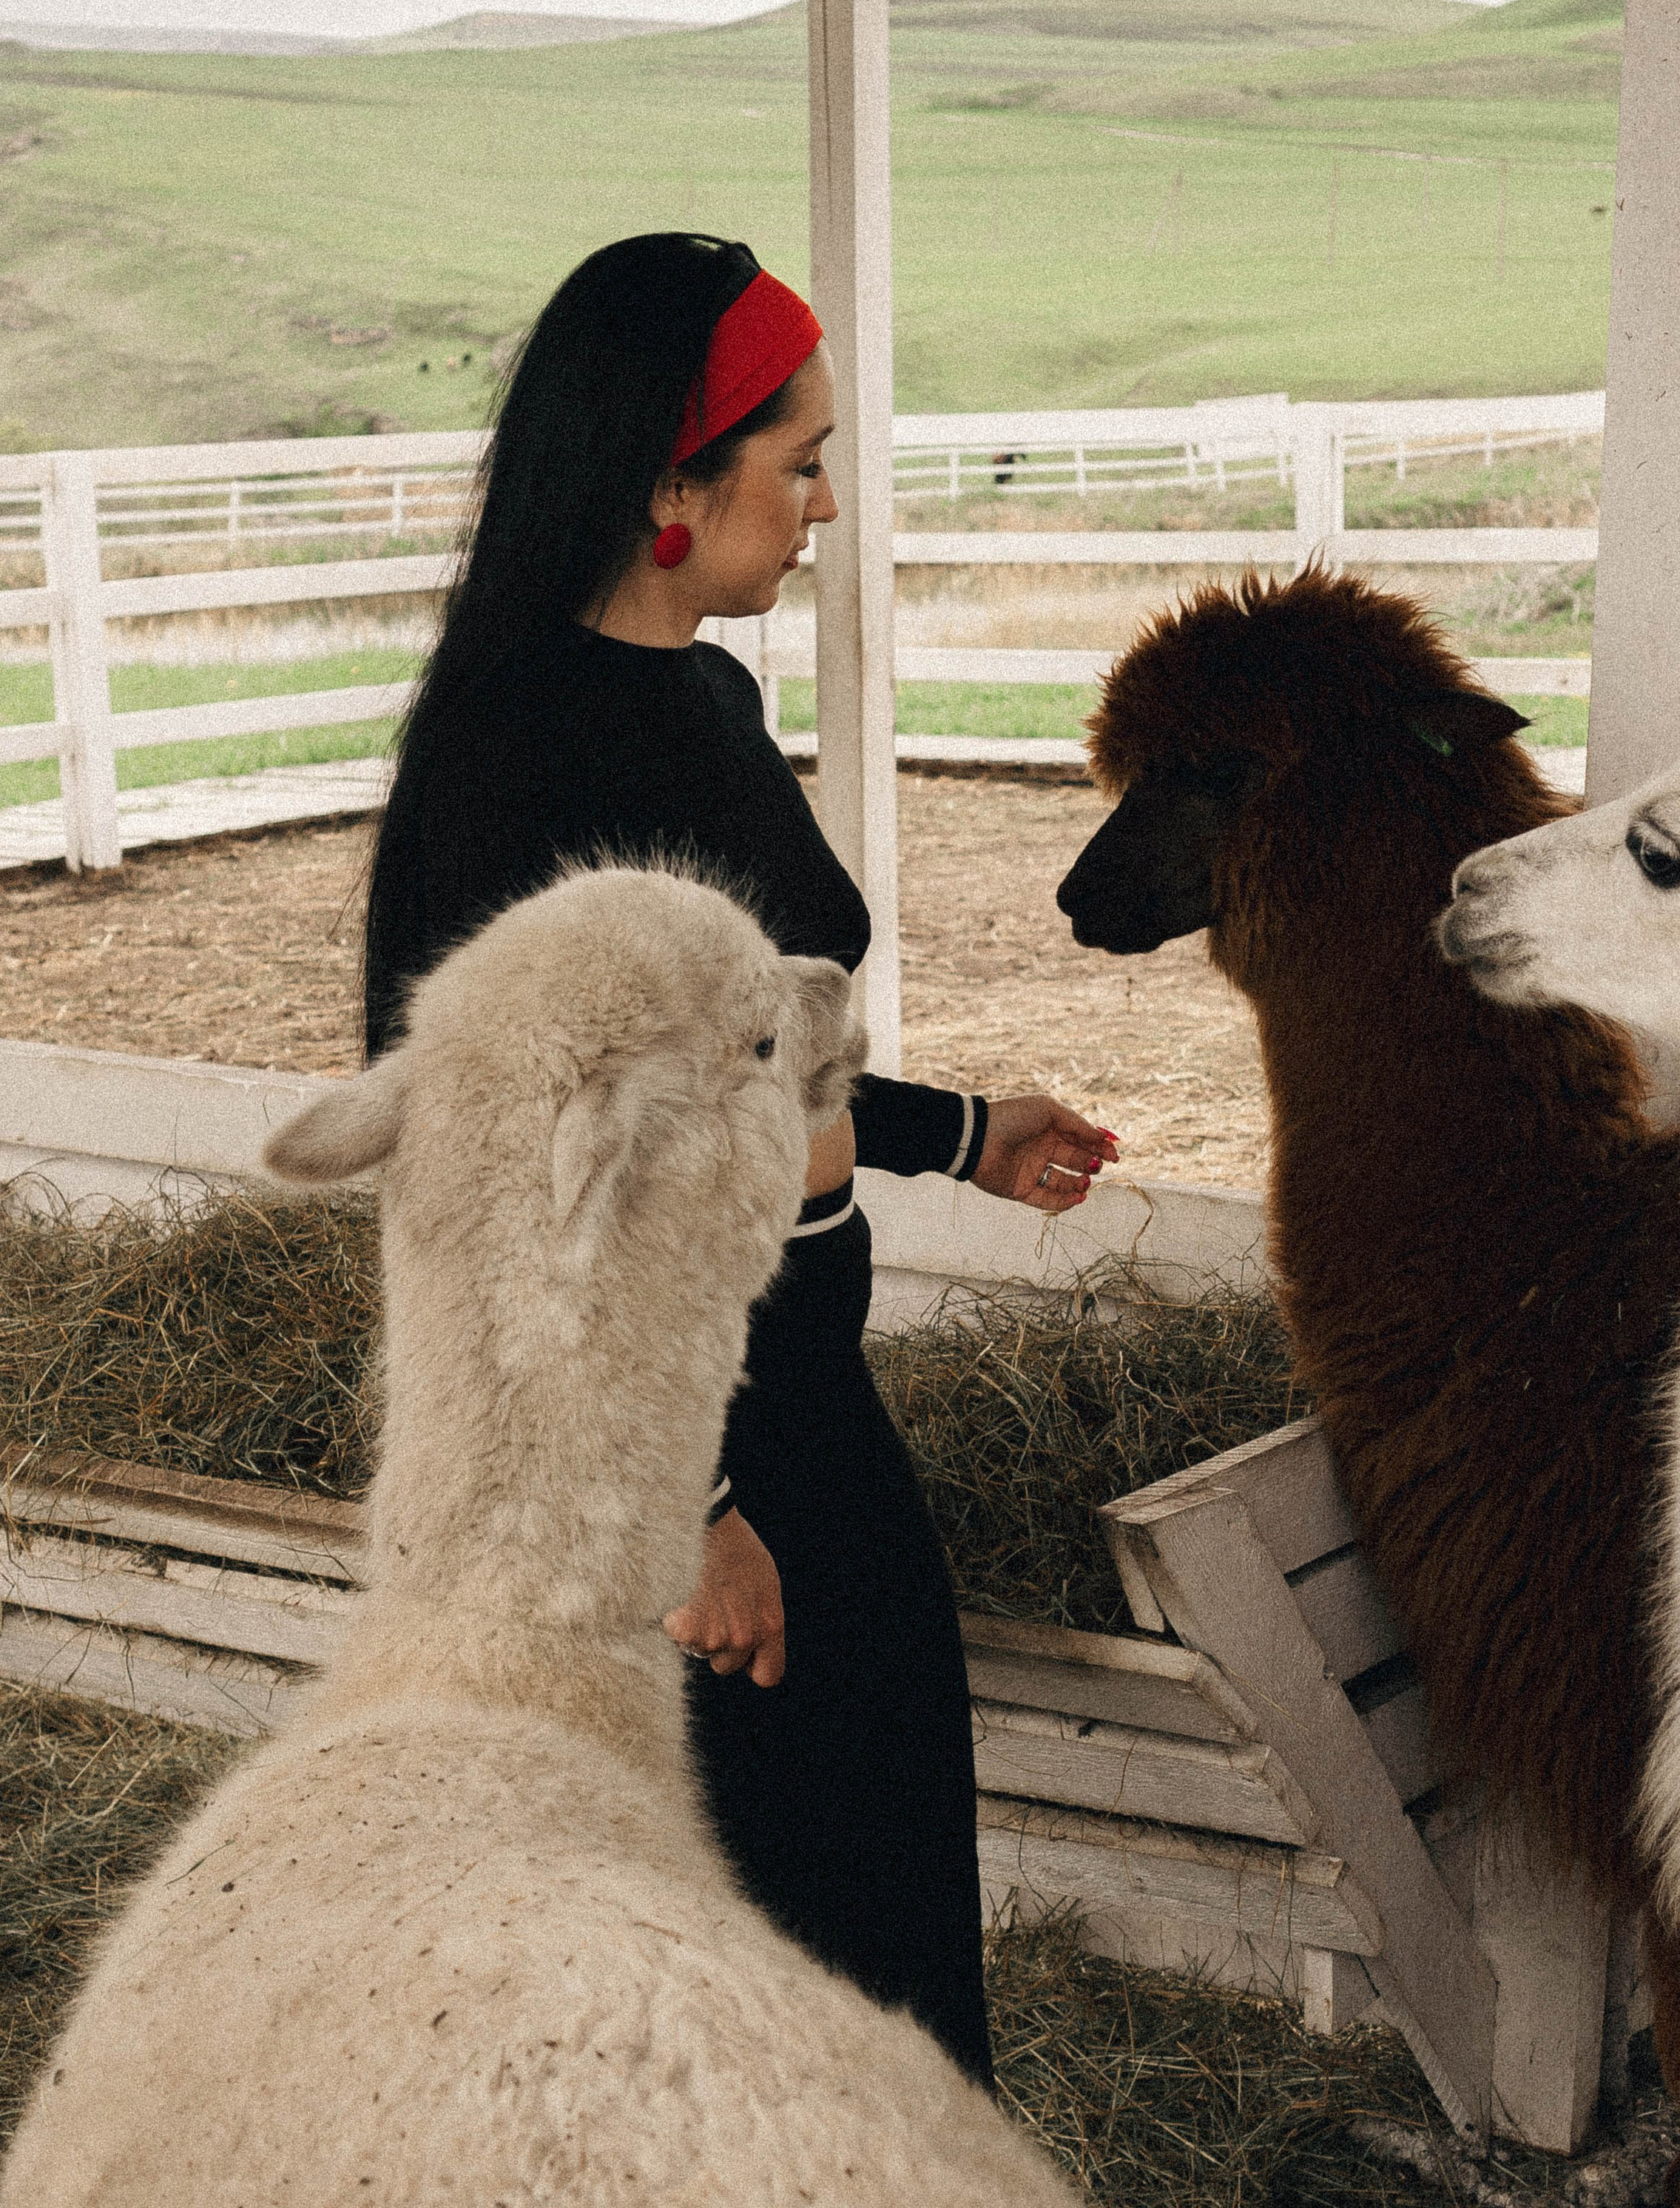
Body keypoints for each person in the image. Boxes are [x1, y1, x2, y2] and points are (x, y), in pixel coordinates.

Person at [362, 232, 1116, 2092]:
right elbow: (524, 1179)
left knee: (870, 1933)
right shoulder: (523, 759)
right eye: (798, 462)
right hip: (678, 1453)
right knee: (771, 1974)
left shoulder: (684, 695)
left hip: (787, 1393)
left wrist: (955, 1137)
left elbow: (727, 1100)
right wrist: (678, 1510)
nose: (830, 504)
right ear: (668, 488)